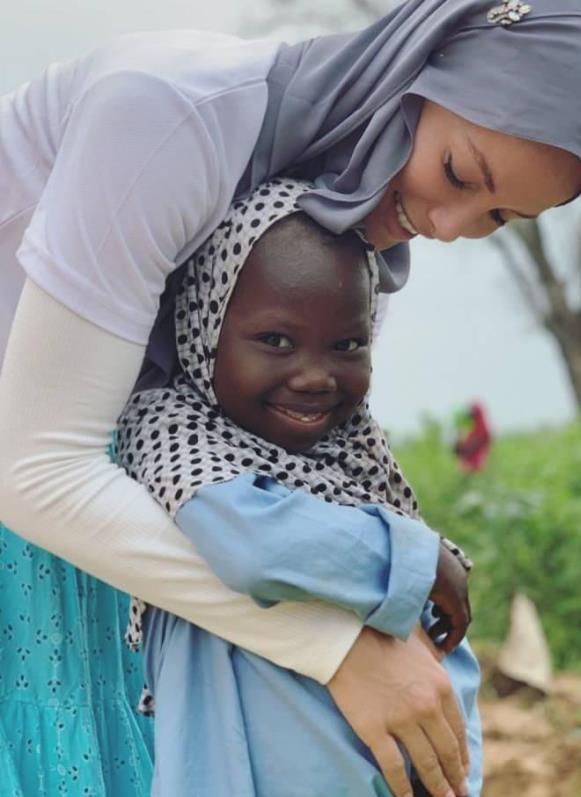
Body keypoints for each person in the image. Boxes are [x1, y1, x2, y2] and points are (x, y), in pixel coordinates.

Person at [0, 1, 581, 794]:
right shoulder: (165, 116)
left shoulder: (342, 220)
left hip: (116, 507)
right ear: (419, 66)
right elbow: (34, 473)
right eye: (460, 175)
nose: (446, 225)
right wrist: (340, 646)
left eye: (499, 216)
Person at [117, 177, 482, 796]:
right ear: (204, 323)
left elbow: (437, 656)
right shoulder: (174, 428)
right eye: (275, 341)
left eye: (347, 345)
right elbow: (257, 545)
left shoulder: (354, 452)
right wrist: (418, 556)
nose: (314, 376)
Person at [454, 403, 491, 472]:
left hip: (477, 466)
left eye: (472, 415)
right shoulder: (473, 430)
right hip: (471, 466)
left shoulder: (481, 429)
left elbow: (468, 449)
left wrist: (460, 441)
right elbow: (460, 451)